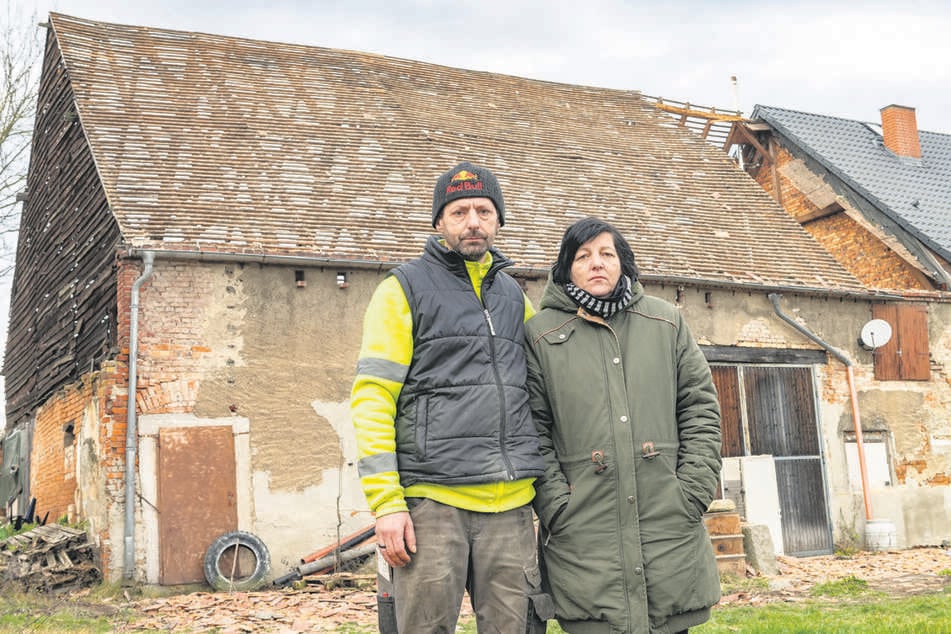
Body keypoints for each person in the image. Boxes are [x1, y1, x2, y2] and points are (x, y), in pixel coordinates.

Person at [350, 161, 550, 632]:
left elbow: (540, 390)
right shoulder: (403, 288)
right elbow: (373, 397)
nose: (473, 221)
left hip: (512, 507)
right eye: (459, 211)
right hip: (432, 507)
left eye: (484, 210)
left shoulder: (513, 296)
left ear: (499, 219)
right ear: (439, 222)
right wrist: (388, 504)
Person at [524, 216, 722, 634]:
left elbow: (700, 406)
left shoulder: (665, 322)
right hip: (584, 532)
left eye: (606, 254)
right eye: (583, 256)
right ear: (565, 268)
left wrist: (693, 490)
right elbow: (532, 430)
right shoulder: (540, 336)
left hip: (666, 522)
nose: (596, 264)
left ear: (623, 264)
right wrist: (558, 506)